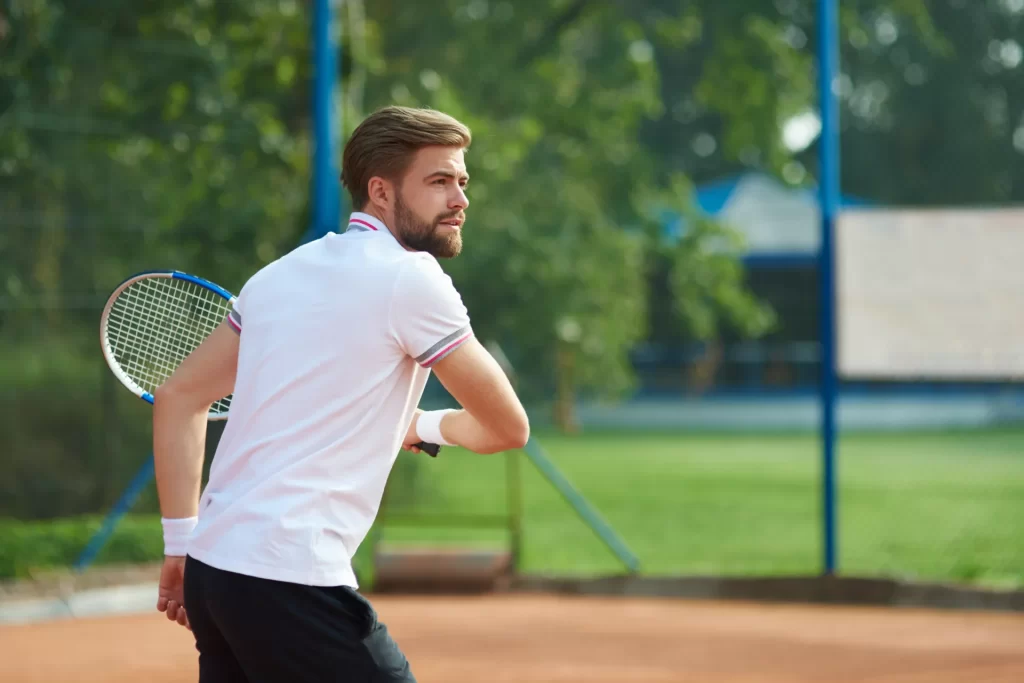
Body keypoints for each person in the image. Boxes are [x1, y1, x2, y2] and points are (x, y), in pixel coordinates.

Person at [150, 105, 530, 682]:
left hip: (214, 571)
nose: (460, 198)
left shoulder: (277, 274)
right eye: (438, 181)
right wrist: (426, 427)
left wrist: (179, 545)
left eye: (462, 181)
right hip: (289, 577)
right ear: (380, 190)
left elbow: (180, 396)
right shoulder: (413, 279)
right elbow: (508, 427)